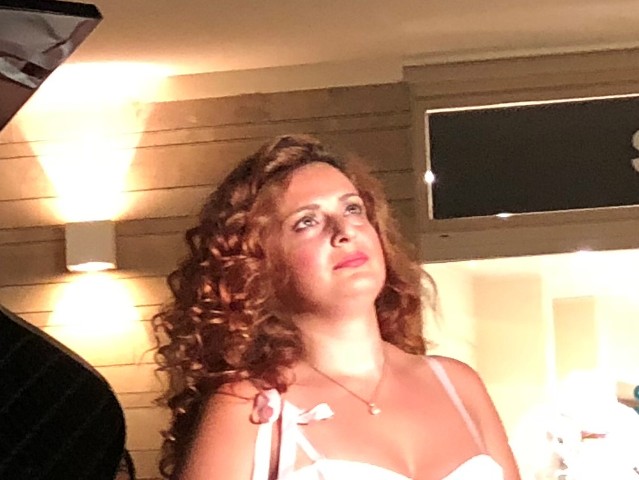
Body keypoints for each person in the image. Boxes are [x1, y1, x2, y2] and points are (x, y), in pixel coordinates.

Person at [153, 134, 521, 480]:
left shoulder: (459, 385)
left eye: (353, 209)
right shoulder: (247, 410)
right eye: (307, 221)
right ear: (257, 264)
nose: (344, 231)